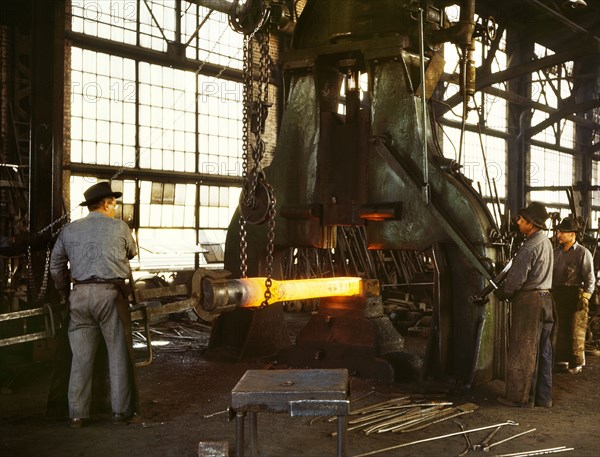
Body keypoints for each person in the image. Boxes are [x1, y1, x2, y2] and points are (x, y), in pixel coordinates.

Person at [50, 181, 140, 427]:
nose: (115, 208)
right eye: (114, 204)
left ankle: (77, 415)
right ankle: (120, 413)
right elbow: (131, 253)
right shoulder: (120, 227)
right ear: (107, 203)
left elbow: (55, 266)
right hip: (110, 295)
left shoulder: (69, 230)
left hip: (78, 296)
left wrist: (64, 294)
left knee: (80, 359)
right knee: (117, 355)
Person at [495, 202, 554, 408]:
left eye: (522, 219)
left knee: (523, 349)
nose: (518, 221)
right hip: (546, 299)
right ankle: (543, 398)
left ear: (531, 224)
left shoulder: (529, 246)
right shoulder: (545, 242)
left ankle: (518, 398)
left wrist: (505, 292)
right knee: (543, 351)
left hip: (530, 302)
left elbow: (517, 279)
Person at [551, 217, 595, 374]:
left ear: (572, 234)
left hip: (575, 294)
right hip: (558, 293)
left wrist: (586, 296)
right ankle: (562, 359)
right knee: (559, 327)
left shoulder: (583, 253)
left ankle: (577, 362)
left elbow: (590, 277)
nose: (559, 234)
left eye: (563, 232)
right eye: (559, 231)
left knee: (576, 330)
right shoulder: (556, 253)